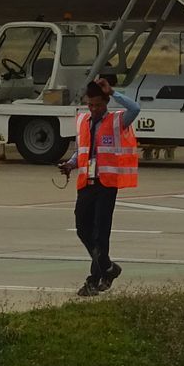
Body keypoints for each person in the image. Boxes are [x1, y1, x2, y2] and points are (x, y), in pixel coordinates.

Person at [58, 73, 141, 297]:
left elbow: (136, 109)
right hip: (86, 183)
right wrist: (70, 164)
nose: (93, 108)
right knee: (82, 228)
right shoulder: (82, 121)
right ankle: (107, 267)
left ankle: (94, 280)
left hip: (106, 184)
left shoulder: (117, 121)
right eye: (90, 104)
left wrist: (112, 91)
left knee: (100, 235)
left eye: (97, 105)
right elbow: (82, 150)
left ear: (105, 103)